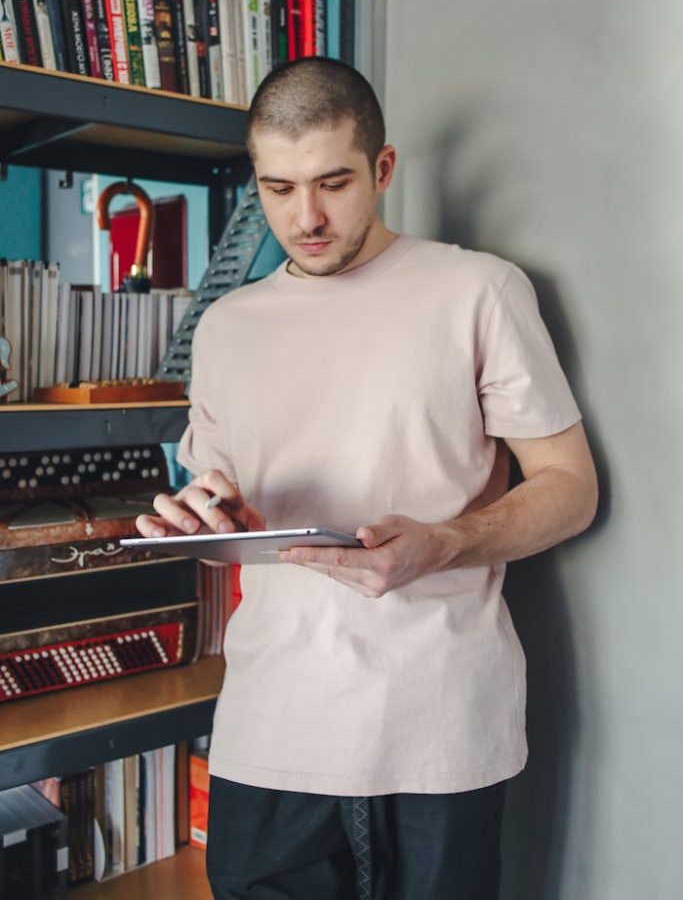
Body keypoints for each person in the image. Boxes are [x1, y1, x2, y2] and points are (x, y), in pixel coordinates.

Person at [136, 57, 598, 900]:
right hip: (271, 727)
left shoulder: (478, 290)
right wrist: (205, 527)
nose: (304, 217)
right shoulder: (225, 329)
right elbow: (224, 532)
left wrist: (450, 541)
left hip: (438, 729)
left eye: (333, 182)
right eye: (277, 188)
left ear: (381, 170)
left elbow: (570, 485)